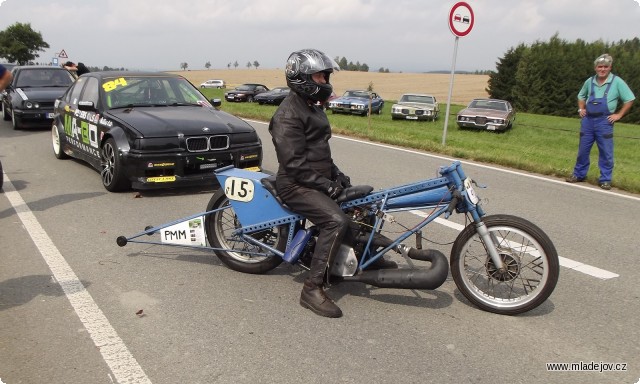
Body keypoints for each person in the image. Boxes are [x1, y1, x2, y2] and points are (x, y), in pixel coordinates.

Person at [268, 49, 397, 318]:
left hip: (315, 179)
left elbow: (319, 151)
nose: (324, 81)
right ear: (302, 78)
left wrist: (337, 176)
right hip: (295, 185)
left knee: (363, 204)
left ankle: (361, 258)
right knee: (335, 221)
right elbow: (294, 165)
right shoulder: (287, 115)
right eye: (319, 76)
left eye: (325, 76)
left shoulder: (310, 107)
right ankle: (312, 289)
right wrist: (327, 186)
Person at [566, 54, 635, 190]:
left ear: (610, 68)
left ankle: (605, 179)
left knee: (606, 152)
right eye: (599, 67)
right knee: (583, 150)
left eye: (605, 67)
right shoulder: (589, 81)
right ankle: (578, 174)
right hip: (588, 120)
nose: (602, 69)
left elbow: (629, 99)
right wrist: (581, 109)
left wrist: (619, 115)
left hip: (605, 121)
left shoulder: (617, 82)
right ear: (595, 68)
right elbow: (581, 95)